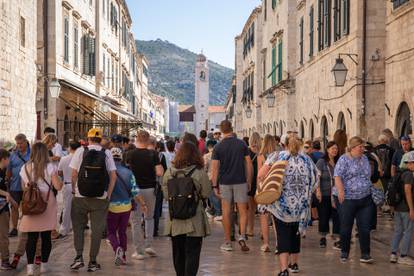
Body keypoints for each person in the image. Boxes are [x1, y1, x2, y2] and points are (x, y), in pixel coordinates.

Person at [264, 135, 318, 276]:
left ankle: (283, 270)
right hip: (301, 206)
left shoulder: (276, 156)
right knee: (296, 234)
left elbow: (261, 174)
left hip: (281, 206)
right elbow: (316, 178)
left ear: (284, 144)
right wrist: (305, 194)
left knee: (282, 235)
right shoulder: (307, 159)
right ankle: (294, 264)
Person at [69, 128, 117, 272]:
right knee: (96, 230)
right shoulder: (107, 153)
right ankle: (93, 261)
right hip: (100, 197)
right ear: (101, 139)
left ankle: (78, 257)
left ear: (88, 138)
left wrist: (74, 189)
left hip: (80, 196)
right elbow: (113, 176)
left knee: (78, 228)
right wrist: (107, 194)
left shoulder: (80, 151)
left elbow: (73, 174)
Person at [162, 142, 212, 276]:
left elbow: (166, 195)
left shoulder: (170, 172)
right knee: (193, 254)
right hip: (194, 220)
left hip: (175, 220)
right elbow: (206, 193)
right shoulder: (199, 172)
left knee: (178, 254)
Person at [19, 142, 63, 275]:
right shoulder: (50, 167)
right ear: (45, 152)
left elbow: (24, 188)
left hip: (31, 203)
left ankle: (30, 268)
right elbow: (58, 187)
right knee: (46, 236)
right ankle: (44, 265)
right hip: (47, 203)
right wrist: (59, 179)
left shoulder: (25, 167)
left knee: (31, 237)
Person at [211, 120, 253, 252]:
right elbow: (249, 164)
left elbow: (215, 168)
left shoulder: (218, 147)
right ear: (232, 129)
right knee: (242, 211)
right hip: (240, 181)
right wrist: (249, 180)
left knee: (226, 212)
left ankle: (228, 242)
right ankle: (242, 236)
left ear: (222, 131)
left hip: (224, 182)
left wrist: (214, 185)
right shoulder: (241, 144)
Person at [334, 136, 376, 263]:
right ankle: (345, 252)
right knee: (346, 226)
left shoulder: (364, 159)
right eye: (360, 147)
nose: (363, 149)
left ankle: (365, 254)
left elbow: (368, 176)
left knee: (364, 227)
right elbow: (337, 176)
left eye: (363, 146)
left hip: (365, 198)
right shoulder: (343, 159)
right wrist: (340, 191)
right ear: (352, 148)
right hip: (348, 199)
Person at [126, 130, 164, 260]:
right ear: (148, 140)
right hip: (149, 188)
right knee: (149, 217)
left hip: (135, 190)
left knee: (135, 220)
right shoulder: (153, 154)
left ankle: (139, 251)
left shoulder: (129, 154)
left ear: (137, 139)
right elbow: (159, 172)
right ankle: (149, 245)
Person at [107, 148, 147, 266]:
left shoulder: (107, 172)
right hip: (126, 207)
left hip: (111, 207)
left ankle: (117, 248)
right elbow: (135, 191)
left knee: (111, 232)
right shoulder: (129, 172)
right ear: (121, 158)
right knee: (123, 231)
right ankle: (123, 256)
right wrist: (143, 204)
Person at [390, 151, 414, 266]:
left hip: (397, 207)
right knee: (408, 231)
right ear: (409, 163)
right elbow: (407, 190)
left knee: (398, 231)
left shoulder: (399, 173)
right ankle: (403, 256)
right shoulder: (409, 174)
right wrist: (412, 209)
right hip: (405, 208)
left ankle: (393, 254)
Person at [315, 141, 340, 249]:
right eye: (332, 148)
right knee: (324, 216)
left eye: (336, 149)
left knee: (337, 216)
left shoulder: (339, 162)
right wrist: (318, 191)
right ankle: (323, 237)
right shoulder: (321, 162)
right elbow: (317, 177)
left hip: (336, 194)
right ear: (327, 149)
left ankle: (337, 237)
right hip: (324, 194)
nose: (335, 150)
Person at [257, 134, 279, 253]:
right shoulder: (278, 155)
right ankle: (278, 244)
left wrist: (257, 190)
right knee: (276, 217)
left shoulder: (261, 156)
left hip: (263, 188)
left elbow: (259, 175)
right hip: (274, 188)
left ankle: (266, 244)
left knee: (264, 217)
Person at [7, 134, 30, 238]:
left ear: (26, 142)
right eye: (17, 143)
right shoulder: (12, 154)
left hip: (28, 186)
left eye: (21, 143)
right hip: (15, 186)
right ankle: (15, 228)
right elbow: (9, 169)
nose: (19, 145)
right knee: (14, 207)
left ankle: (28, 226)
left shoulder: (32, 153)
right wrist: (8, 181)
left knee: (28, 207)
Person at [57, 141, 81, 238]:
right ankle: (79, 228)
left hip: (67, 184)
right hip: (78, 185)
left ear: (70, 148)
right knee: (79, 208)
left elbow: (59, 172)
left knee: (67, 207)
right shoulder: (80, 159)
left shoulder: (64, 159)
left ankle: (64, 229)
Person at [0, 149, 15, 270]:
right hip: (2, 208)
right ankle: (4, 261)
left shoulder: (3, 171)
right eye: (8, 159)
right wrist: (6, 194)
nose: (9, 161)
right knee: (4, 235)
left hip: (4, 206)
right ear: (4, 158)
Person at [247, 132, 261, 237]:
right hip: (260, 181)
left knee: (251, 209)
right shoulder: (262, 152)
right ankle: (262, 231)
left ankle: (250, 230)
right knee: (261, 209)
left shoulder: (247, 151)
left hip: (250, 181)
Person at [204, 140, 221, 220]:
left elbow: (204, 168)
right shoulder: (220, 154)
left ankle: (218, 212)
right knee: (217, 195)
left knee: (212, 196)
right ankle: (214, 211)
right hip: (219, 177)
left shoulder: (207, 156)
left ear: (208, 147)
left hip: (210, 177)